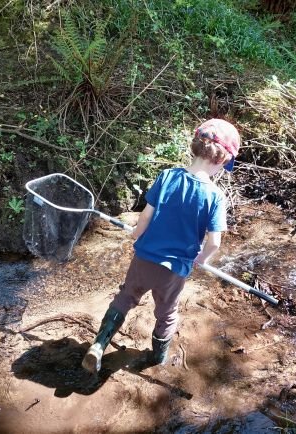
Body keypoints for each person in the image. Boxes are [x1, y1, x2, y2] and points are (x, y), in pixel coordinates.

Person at [82, 118, 241, 374]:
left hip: (144, 258)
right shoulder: (215, 196)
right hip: (174, 269)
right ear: (221, 161)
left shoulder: (167, 177)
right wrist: (201, 259)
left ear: (195, 147)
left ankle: (99, 345)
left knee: (126, 296)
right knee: (166, 313)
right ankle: (158, 357)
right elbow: (214, 241)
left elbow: (145, 217)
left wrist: (135, 233)